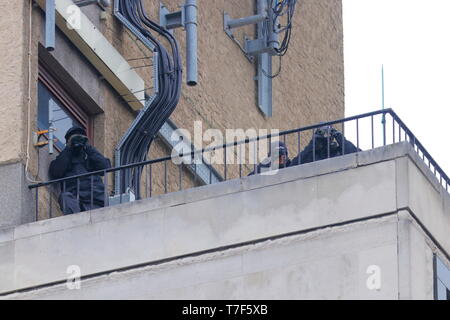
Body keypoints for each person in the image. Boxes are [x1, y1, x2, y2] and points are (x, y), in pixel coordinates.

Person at [49, 127, 111, 215]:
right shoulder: (65, 159)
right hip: (74, 199)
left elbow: (106, 167)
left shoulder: (91, 157)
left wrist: (88, 147)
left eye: (80, 138)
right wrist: (69, 148)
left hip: (95, 200)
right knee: (65, 197)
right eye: (74, 139)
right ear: (67, 142)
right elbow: (55, 172)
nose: (77, 141)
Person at [290, 125, 360, 166]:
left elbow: (358, 155)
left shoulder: (340, 151)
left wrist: (338, 136)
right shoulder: (313, 155)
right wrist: (313, 144)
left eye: (329, 134)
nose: (326, 136)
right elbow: (294, 164)